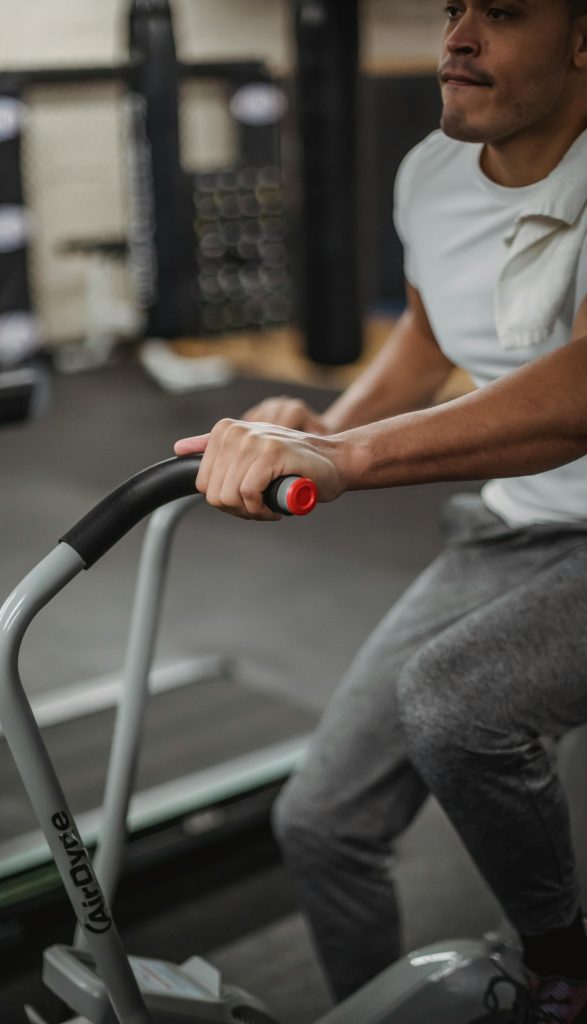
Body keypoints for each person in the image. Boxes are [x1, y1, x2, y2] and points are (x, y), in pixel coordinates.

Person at [176, 1, 587, 1021]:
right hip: (518, 521)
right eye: (451, 9)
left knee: (458, 704)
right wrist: (320, 428)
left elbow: (579, 394)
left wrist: (347, 455)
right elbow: (421, 336)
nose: (455, 36)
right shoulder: (428, 172)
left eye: (499, 12)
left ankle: (565, 965)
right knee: (319, 821)